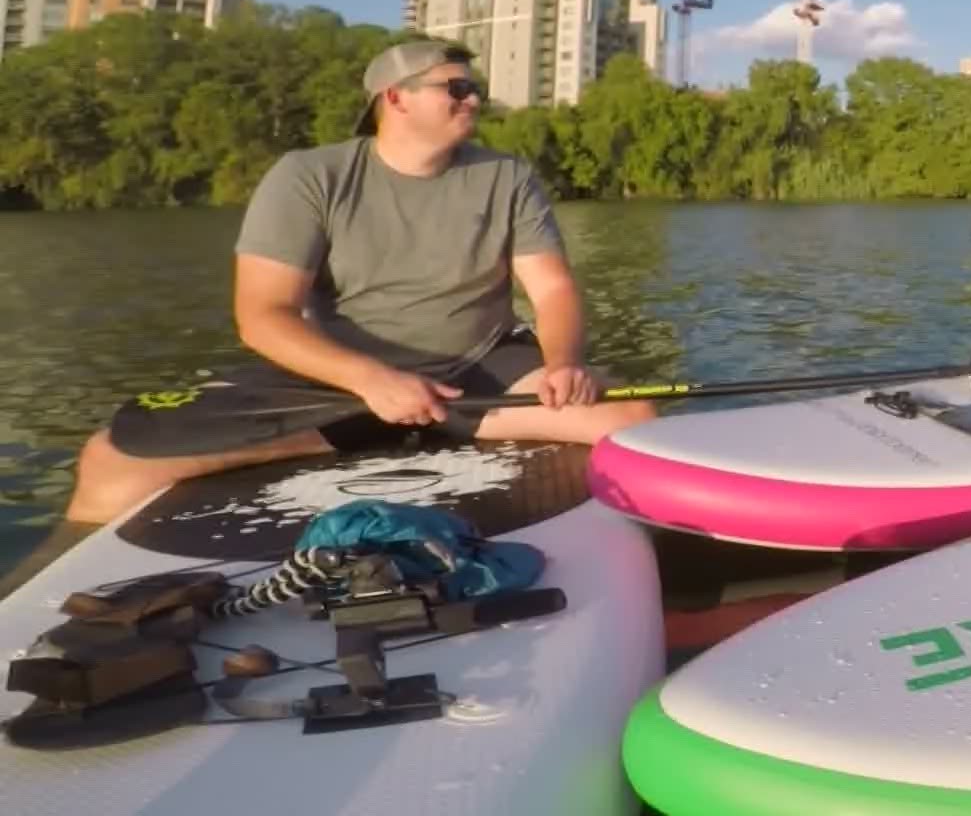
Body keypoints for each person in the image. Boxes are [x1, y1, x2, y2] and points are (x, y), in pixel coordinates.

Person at [62, 39, 660, 525]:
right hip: (343, 377)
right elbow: (263, 314)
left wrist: (562, 363)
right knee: (113, 459)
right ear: (395, 98)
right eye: (457, 88)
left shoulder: (507, 176)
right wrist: (372, 380)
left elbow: (552, 290)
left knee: (630, 423)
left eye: (474, 88)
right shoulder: (308, 176)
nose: (474, 99)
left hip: (480, 370)